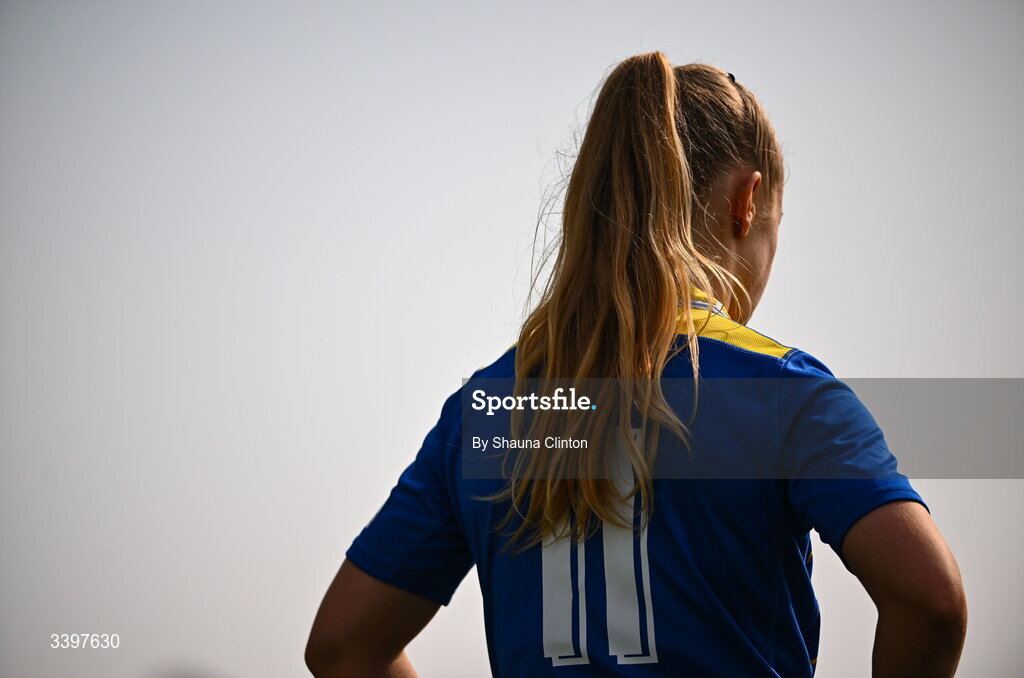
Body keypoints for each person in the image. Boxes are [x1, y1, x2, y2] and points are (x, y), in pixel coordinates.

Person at [305, 51, 967, 677]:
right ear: (747, 202)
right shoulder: (782, 393)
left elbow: (343, 646)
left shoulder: (487, 412)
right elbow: (930, 600)